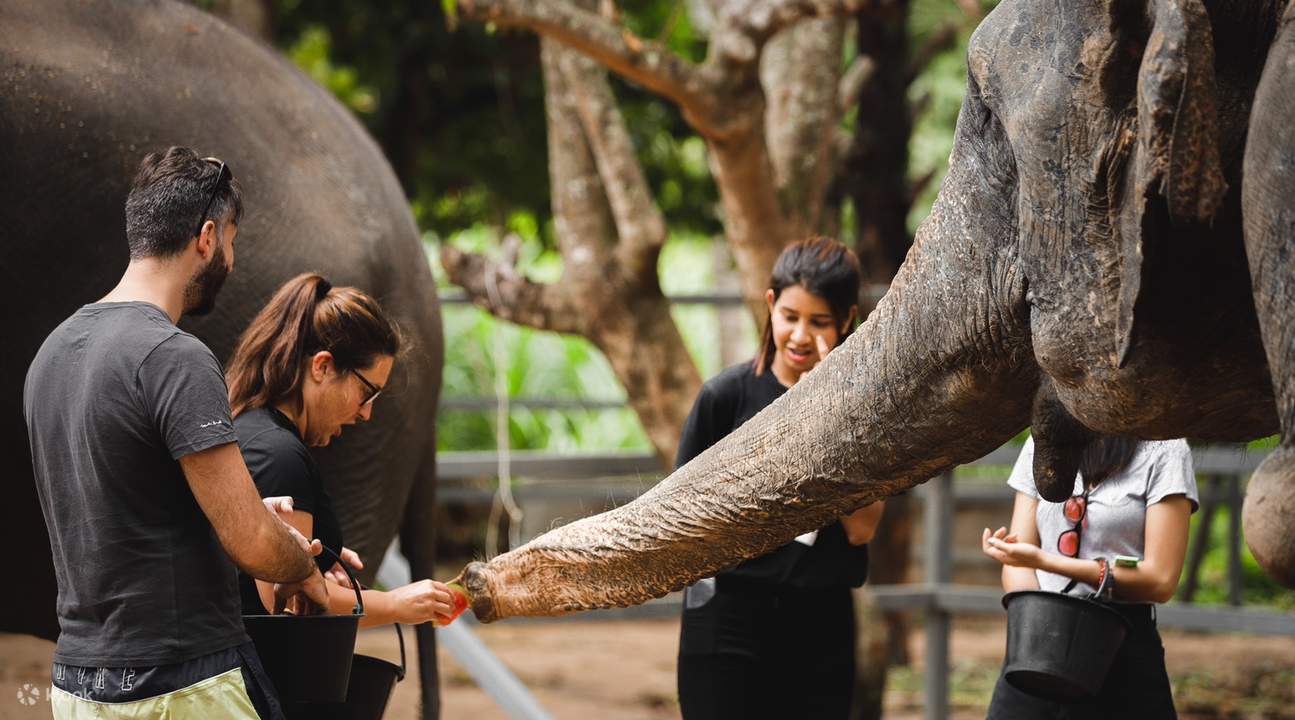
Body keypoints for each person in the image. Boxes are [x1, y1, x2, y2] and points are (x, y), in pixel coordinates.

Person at [24, 147, 329, 720]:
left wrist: (244, 501)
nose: (231, 259)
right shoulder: (174, 357)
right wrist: (303, 563)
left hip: (78, 686)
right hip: (179, 688)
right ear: (207, 237)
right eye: (232, 241)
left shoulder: (52, 353)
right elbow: (251, 543)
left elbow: (119, 502)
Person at [676, 236, 886, 719]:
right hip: (726, 617)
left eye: (819, 322)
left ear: (846, 321)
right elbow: (682, 520)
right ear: (770, 305)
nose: (798, 335)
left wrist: (836, 408)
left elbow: (863, 527)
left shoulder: (863, 414)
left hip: (820, 623)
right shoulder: (724, 398)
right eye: (790, 316)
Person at [226, 272, 458, 627]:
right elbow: (286, 602)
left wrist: (319, 565)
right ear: (322, 367)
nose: (366, 413)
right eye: (367, 392)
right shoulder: (280, 456)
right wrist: (394, 603)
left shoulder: (252, 430)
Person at [982, 434, 1198, 718]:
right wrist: (1036, 621)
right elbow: (1017, 559)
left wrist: (1046, 562)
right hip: (1035, 646)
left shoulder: (1165, 446)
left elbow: (1160, 580)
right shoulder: (1045, 438)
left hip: (1121, 651)